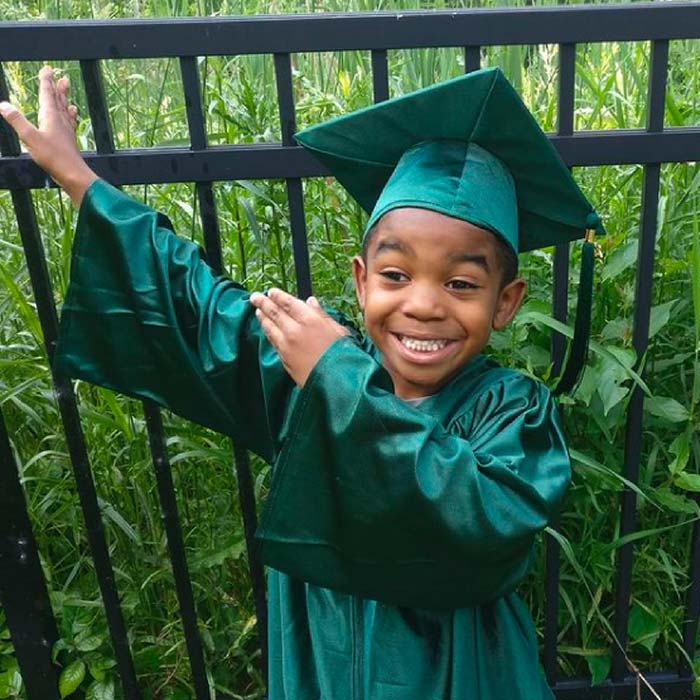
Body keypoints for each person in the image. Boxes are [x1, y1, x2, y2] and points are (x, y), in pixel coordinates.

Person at [0, 64, 603, 700]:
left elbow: (473, 521)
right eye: (396, 275)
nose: (424, 305)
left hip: (460, 677)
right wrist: (75, 175)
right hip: (325, 666)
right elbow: (195, 303)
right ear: (362, 279)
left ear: (505, 302)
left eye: (461, 283)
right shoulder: (303, 368)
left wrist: (338, 378)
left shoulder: (512, 412)